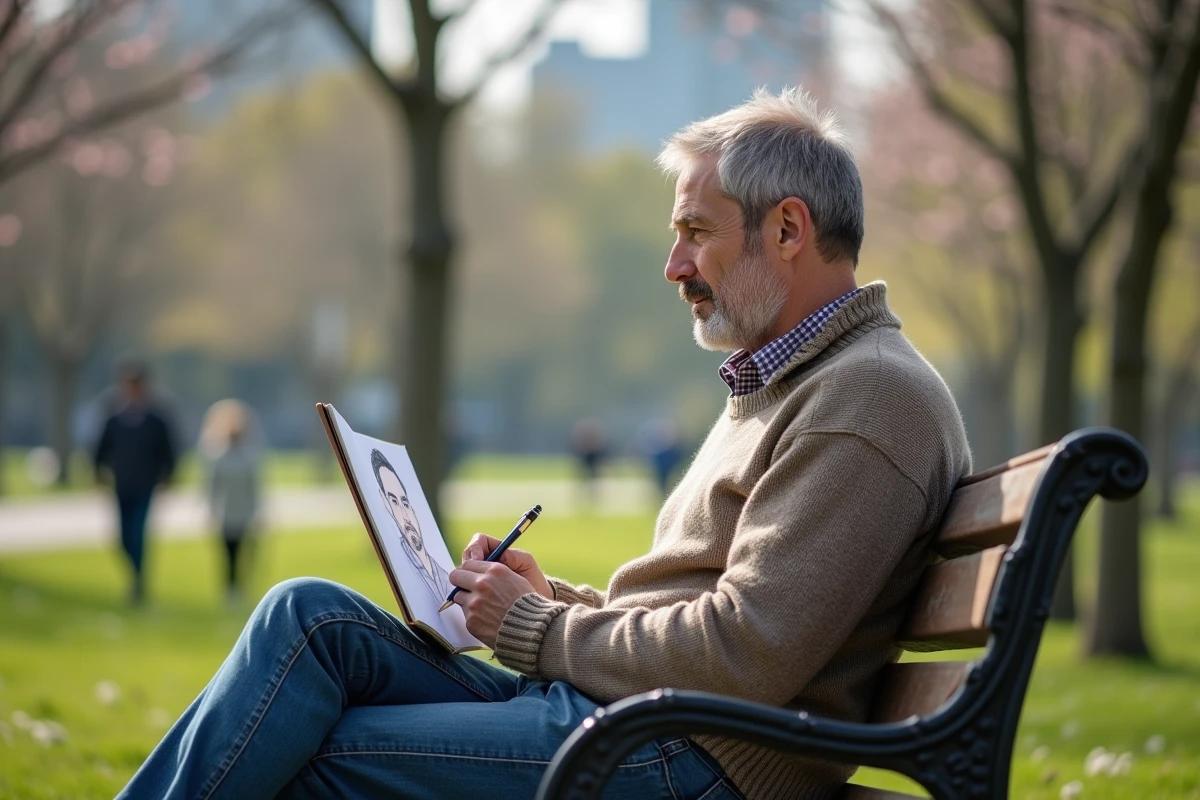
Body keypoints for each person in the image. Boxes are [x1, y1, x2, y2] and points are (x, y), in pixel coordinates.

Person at [118, 88, 971, 800]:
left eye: (697, 232)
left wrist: (536, 628)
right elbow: (712, 623)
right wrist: (554, 602)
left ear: (788, 230)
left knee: (314, 753)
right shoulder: (799, 379)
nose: (674, 265)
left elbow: (744, 654)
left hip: (689, 759)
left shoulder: (866, 397)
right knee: (309, 617)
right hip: (652, 724)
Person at [93, 359, 177, 605]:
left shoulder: (156, 418)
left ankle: (138, 584)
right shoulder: (113, 417)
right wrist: (97, 472)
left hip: (145, 485)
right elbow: (101, 448)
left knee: (138, 533)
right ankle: (135, 575)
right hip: (122, 484)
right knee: (122, 537)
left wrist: (168, 475)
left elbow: (168, 449)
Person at [200, 400, 263, 603]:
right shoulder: (219, 458)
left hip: (244, 512)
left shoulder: (249, 458)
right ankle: (230, 586)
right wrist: (210, 509)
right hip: (226, 512)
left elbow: (254, 488)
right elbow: (212, 487)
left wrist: (257, 511)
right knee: (228, 552)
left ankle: (240, 586)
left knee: (245, 552)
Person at [371, 447, 453, 602]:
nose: (405, 516)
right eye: (394, 502)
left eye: (405, 502)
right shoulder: (406, 566)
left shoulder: (444, 576)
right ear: (386, 504)